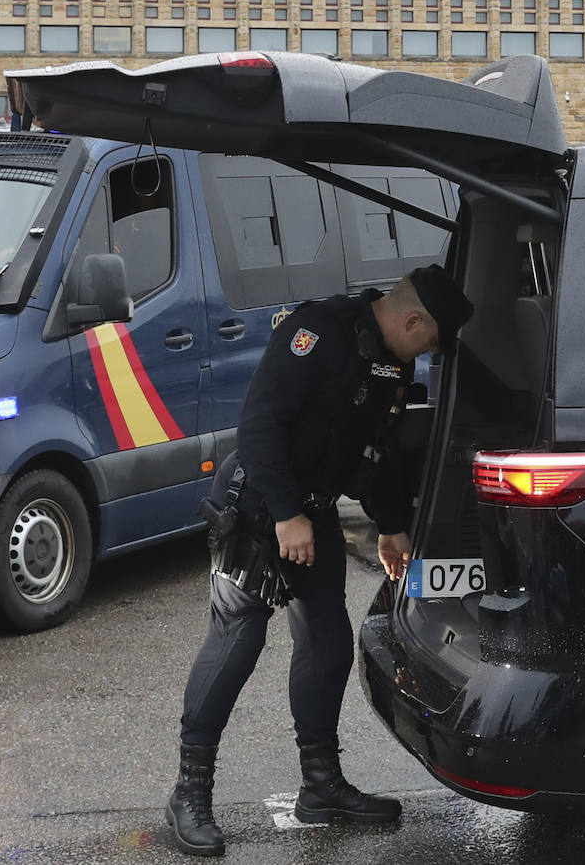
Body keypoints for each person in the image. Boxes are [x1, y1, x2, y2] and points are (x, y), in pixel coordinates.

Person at [166, 265, 475, 857]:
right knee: (238, 643)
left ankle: (321, 785)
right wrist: (285, 514)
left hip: (314, 508)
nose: (430, 354)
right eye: (432, 341)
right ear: (413, 320)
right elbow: (258, 424)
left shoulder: (392, 358)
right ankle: (190, 792)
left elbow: (375, 452)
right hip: (261, 503)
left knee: (328, 643)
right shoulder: (318, 332)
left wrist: (391, 526)